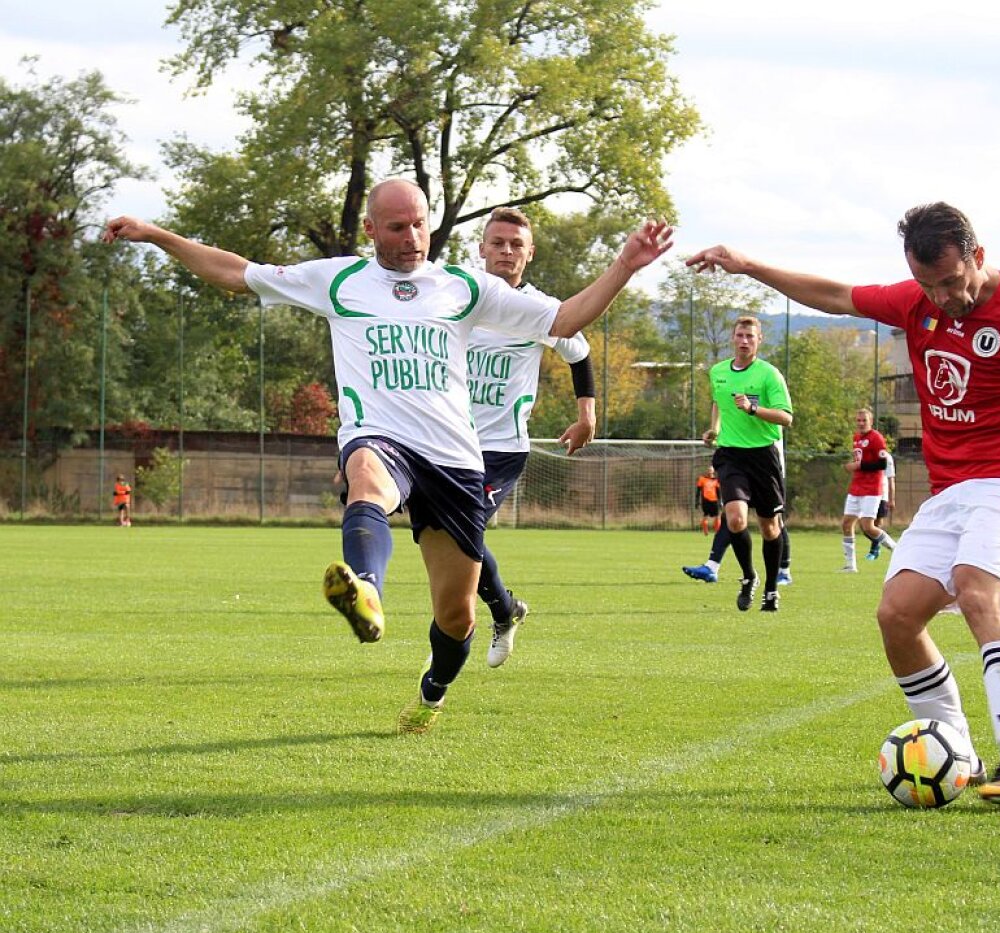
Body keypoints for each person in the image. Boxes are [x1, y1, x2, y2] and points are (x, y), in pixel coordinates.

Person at [104, 178, 672, 734]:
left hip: (454, 459)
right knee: (365, 479)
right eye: (397, 227)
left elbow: (566, 320)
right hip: (379, 436)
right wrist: (156, 234)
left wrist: (624, 266)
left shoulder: (463, 287)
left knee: (456, 617)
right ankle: (367, 589)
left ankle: (432, 694)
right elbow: (235, 272)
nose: (411, 236)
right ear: (372, 229)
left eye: (419, 223)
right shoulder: (339, 279)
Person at [686, 201, 1000, 804]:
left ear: (978, 256)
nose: (941, 298)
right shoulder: (916, 300)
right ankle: (958, 751)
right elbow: (834, 295)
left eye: (952, 283)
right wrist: (748, 265)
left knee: (975, 588)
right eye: (928, 285)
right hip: (952, 492)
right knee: (897, 614)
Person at [469, 207, 597, 668]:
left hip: (501, 447)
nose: (506, 251)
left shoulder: (542, 310)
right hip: (445, 442)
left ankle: (447, 649)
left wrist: (587, 415)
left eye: (515, 244)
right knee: (437, 537)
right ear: (481, 248)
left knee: (462, 533)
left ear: (530, 253)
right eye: (497, 242)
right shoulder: (457, 295)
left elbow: (579, 355)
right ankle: (506, 611)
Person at [702, 315, 793, 613]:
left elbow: (786, 418)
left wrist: (754, 409)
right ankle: (748, 577)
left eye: (750, 337)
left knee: (769, 528)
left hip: (763, 456)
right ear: (732, 338)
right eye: (740, 335)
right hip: (730, 454)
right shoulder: (718, 372)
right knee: (736, 518)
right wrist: (714, 428)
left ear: (759, 340)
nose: (744, 341)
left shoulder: (769, 375)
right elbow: (718, 401)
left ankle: (770, 589)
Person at [682, 440, 793, 585]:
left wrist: (753, 415)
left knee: (774, 522)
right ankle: (712, 566)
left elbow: (781, 419)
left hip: (768, 465)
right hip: (740, 461)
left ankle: (784, 572)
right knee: (732, 516)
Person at [839, 408, 896, 572]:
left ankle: (896, 549)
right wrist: (853, 466)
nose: (861, 423)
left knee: (868, 526)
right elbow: (860, 460)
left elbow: (882, 464)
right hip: (856, 486)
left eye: (864, 420)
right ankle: (850, 565)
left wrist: (859, 466)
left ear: (870, 421)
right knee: (846, 523)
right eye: (858, 420)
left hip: (872, 488)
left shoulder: (876, 438)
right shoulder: (856, 438)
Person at [866, 449, 897, 561]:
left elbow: (891, 479)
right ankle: (884, 545)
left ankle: (874, 550)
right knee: (865, 525)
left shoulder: (886, 457)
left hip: (881, 494)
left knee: (877, 523)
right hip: (866, 493)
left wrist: (891, 498)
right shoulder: (865, 454)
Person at [695, 465, 722, 535]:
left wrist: (720, 501)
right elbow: (698, 491)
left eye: (711, 470)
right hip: (705, 500)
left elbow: (718, 492)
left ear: (713, 471)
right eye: (709, 470)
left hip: (714, 500)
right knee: (705, 515)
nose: (710, 471)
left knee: (717, 516)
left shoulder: (716, 480)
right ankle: (705, 530)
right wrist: (697, 501)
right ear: (707, 471)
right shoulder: (702, 479)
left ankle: (717, 531)